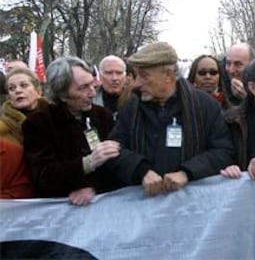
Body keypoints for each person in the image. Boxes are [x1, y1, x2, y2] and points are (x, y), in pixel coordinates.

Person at [107, 42, 233, 197]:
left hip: (192, 207)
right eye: (136, 75)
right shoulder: (132, 108)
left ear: (168, 75)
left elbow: (223, 152)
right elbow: (113, 150)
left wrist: (187, 172)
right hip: (144, 209)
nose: (137, 83)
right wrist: (141, 171)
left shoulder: (205, 106)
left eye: (144, 76)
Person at [23, 56, 123, 205]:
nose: (93, 93)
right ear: (62, 94)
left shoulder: (103, 116)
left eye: (92, 85)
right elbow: (43, 176)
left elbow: (117, 166)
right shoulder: (38, 123)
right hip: (63, 215)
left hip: (106, 208)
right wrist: (87, 164)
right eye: (83, 88)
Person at [0, 68, 46, 198]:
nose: (18, 91)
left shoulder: (58, 120)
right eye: (12, 88)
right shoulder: (2, 130)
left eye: (24, 85)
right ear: (9, 97)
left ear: (38, 91)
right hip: (19, 201)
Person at [93, 55, 127, 120]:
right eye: (109, 73)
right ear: (100, 76)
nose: (114, 78)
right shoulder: (90, 99)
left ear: (125, 76)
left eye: (119, 73)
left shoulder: (136, 100)